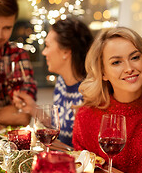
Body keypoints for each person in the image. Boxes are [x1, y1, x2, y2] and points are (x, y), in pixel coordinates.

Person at [72, 27, 142, 173]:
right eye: (116, 62)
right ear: (103, 73)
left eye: (134, 57)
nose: (129, 68)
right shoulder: (86, 116)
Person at [14, 18, 93, 147]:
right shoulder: (61, 82)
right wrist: (33, 108)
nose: (44, 52)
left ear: (66, 51)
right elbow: (62, 131)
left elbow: (81, 149)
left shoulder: (91, 91)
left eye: (48, 46)